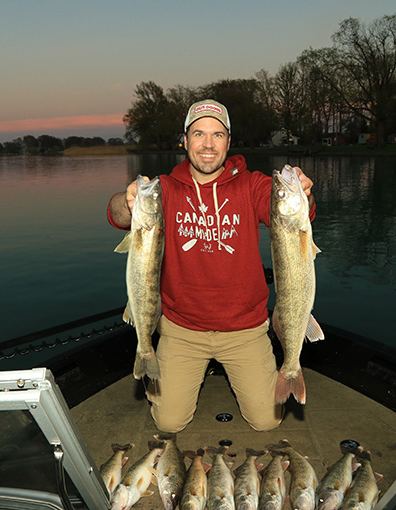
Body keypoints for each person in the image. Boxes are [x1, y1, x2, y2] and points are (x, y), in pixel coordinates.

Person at [107, 99, 315, 433]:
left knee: (266, 421)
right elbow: (117, 216)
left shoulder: (253, 185)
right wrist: (128, 200)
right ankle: (165, 383)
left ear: (228, 142)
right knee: (169, 423)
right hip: (182, 328)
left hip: (245, 328)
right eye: (198, 134)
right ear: (185, 140)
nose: (207, 144)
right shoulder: (163, 189)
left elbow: (290, 214)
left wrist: (303, 194)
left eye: (217, 135)